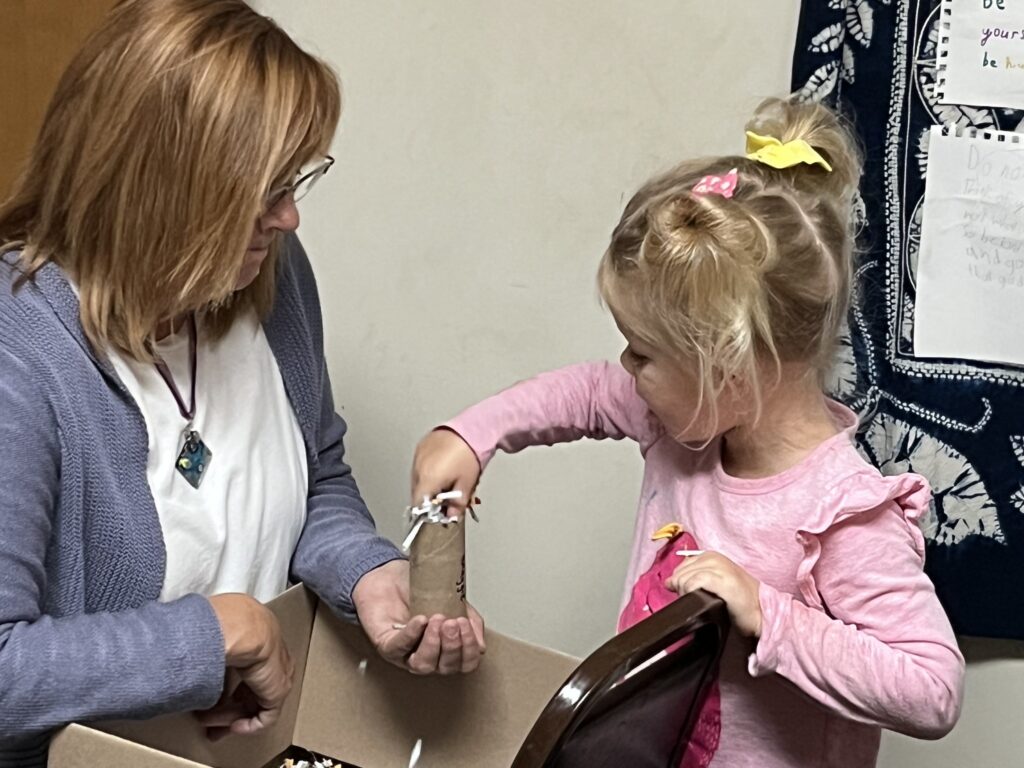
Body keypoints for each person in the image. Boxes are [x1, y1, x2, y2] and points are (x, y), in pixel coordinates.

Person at [411, 97, 964, 767]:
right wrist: (472, 435)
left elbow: (932, 690)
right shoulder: (685, 421)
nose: (625, 369)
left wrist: (769, 613)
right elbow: (586, 392)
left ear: (728, 368)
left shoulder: (842, 515)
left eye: (642, 353)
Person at [0, 2, 481, 765]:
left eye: (295, 182)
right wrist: (217, 631)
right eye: (261, 191)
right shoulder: (19, 356)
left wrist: (370, 573)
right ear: (160, 188)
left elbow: (316, 473)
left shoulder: (273, 281)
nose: (289, 216)